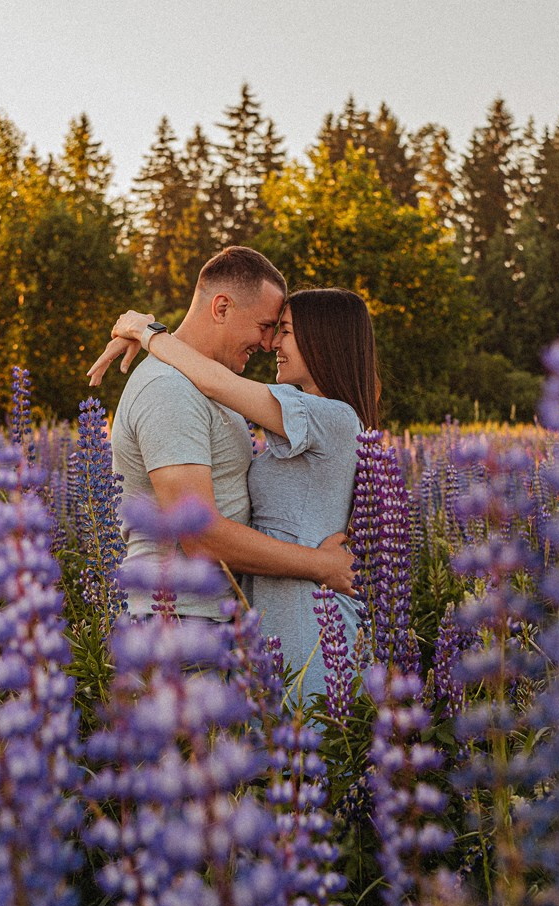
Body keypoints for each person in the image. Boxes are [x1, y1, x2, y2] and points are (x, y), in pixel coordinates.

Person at [89, 279, 379, 699]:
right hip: (268, 621)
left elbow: (214, 382)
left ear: (323, 342)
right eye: (271, 327)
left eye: (285, 331)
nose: (271, 343)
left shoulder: (331, 417)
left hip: (312, 621)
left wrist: (145, 331)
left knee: (312, 751)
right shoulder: (297, 420)